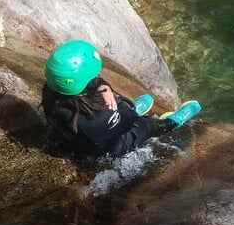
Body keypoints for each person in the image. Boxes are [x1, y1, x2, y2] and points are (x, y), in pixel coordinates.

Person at [41, 40, 200, 158]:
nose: (97, 77)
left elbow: (87, 81)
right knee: (145, 125)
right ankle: (173, 122)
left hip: (81, 137)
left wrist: (104, 87)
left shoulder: (51, 90)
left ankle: (118, 117)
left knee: (113, 105)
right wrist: (124, 111)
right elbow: (130, 120)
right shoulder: (98, 120)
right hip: (111, 144)